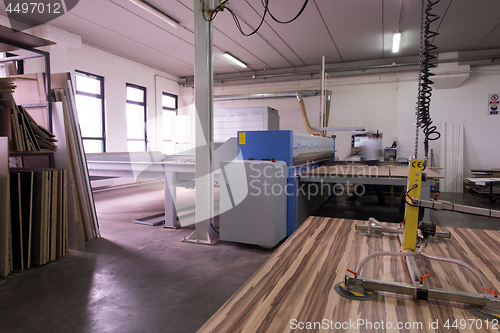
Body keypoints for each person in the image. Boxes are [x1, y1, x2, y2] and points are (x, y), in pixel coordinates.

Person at [348, 133, 385, 204]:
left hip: (368, 163)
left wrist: (353, 153)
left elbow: (359, 149)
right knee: (377, 181)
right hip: (375, 162)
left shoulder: (365, 141)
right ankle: (381, 199)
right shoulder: (376, 142)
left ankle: (354, 197)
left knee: (361, 180)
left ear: (368, 136)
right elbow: (380, 152)